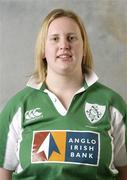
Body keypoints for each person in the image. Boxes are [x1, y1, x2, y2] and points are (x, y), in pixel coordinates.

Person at [0, 8, 127, 180]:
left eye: (72, 38)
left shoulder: (112, 104)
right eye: (54, 39)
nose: (64, 45)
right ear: (43, 50)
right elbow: (3, 173)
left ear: (83, 48)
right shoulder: (18, 106)